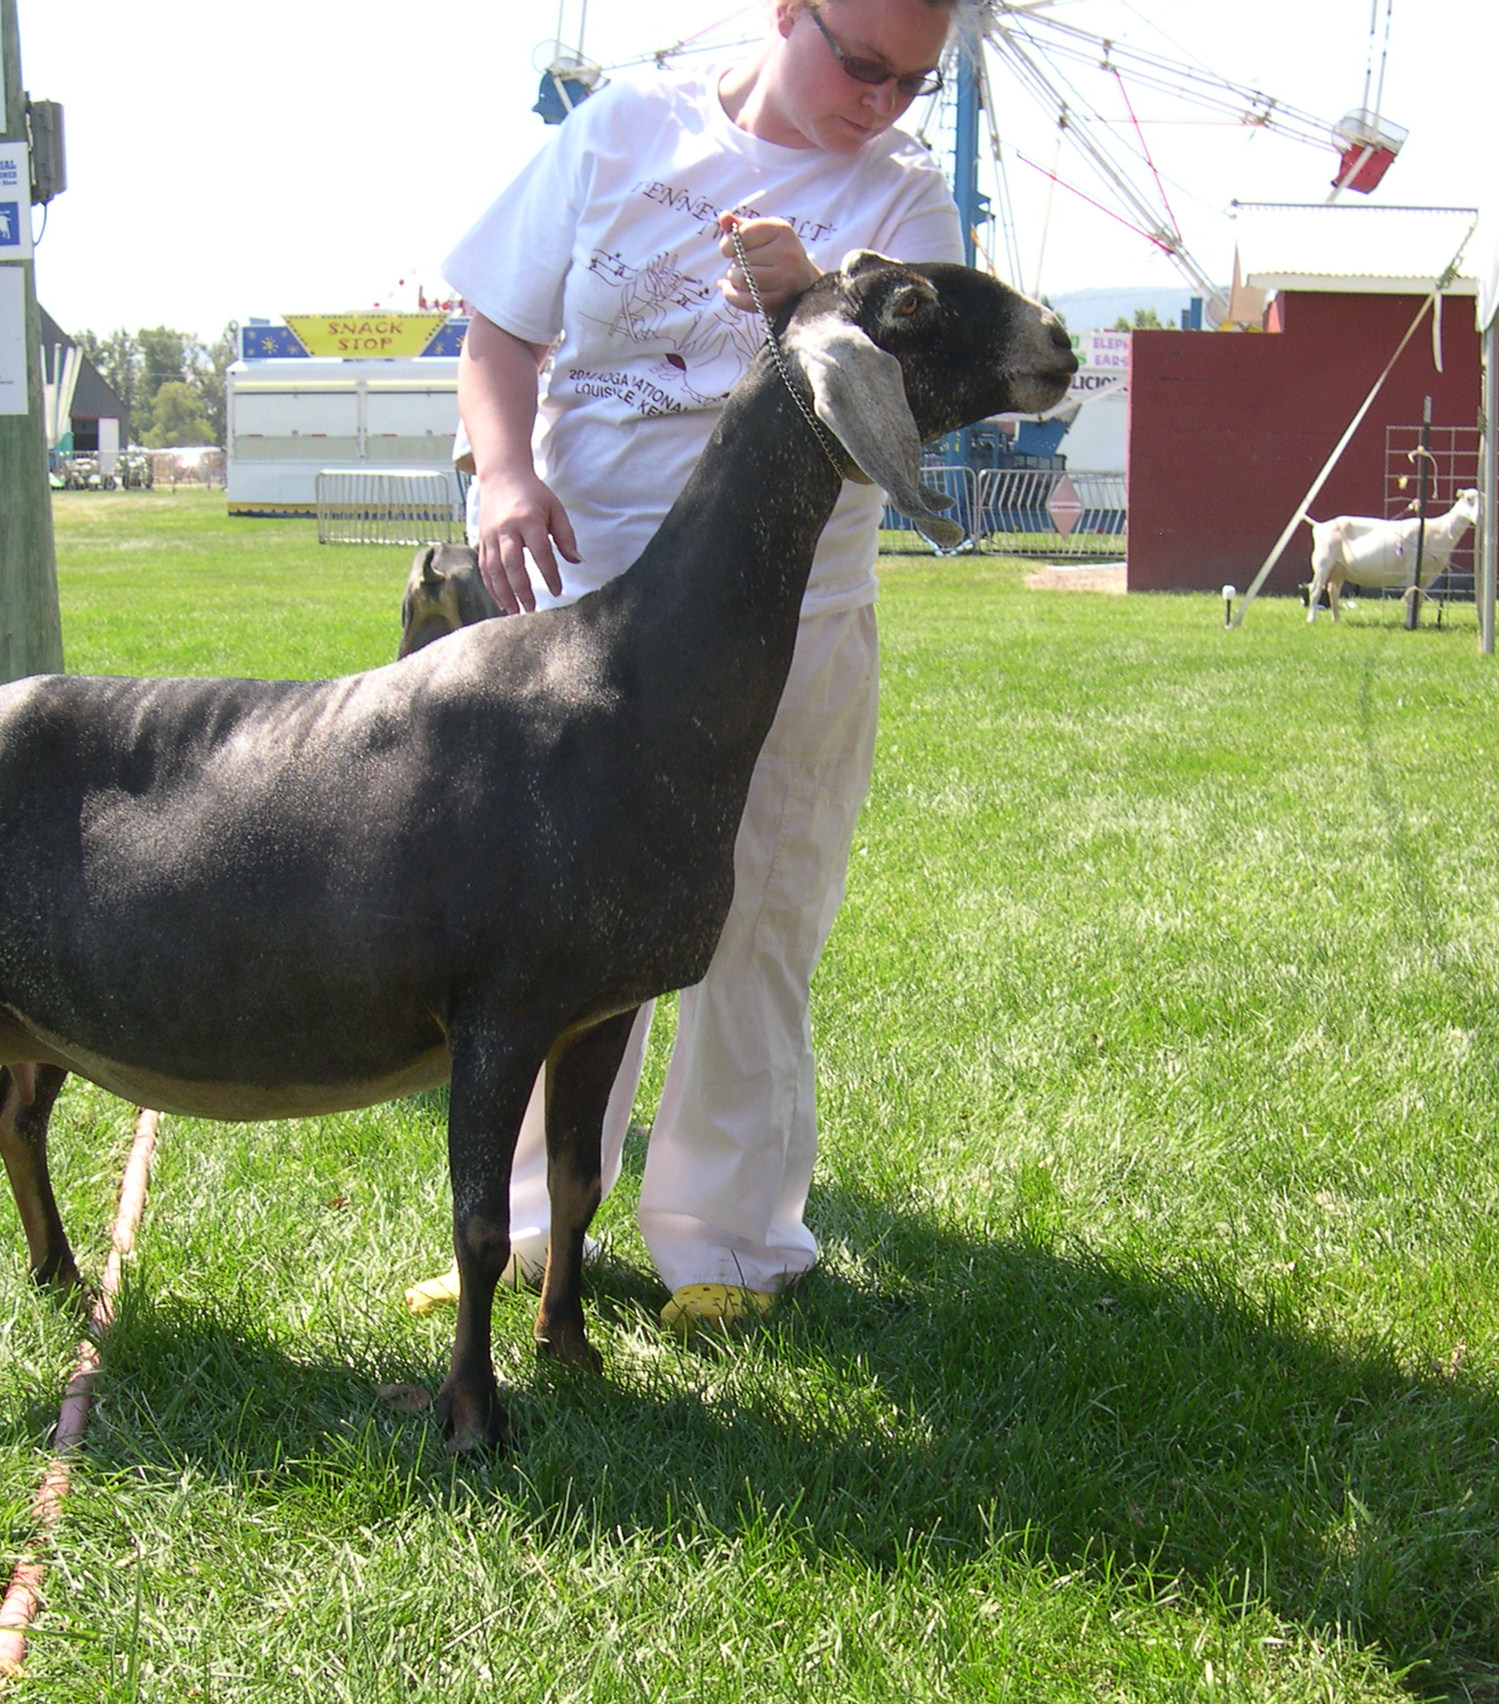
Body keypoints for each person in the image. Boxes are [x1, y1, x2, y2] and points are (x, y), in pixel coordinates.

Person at [412, 0, 965, 1332]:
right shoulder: (619, 132)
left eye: (916, 82)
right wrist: (504, 474)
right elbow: (499, 329)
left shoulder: (911, 208)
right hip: (582, 618)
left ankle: (730, 1241)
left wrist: (808, 303)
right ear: (789, 12)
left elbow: (916, 418)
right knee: (550, 921)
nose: (882, 102)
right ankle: (538, 1221)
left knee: (759, 914)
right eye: (862, 62)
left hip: (798, 620)